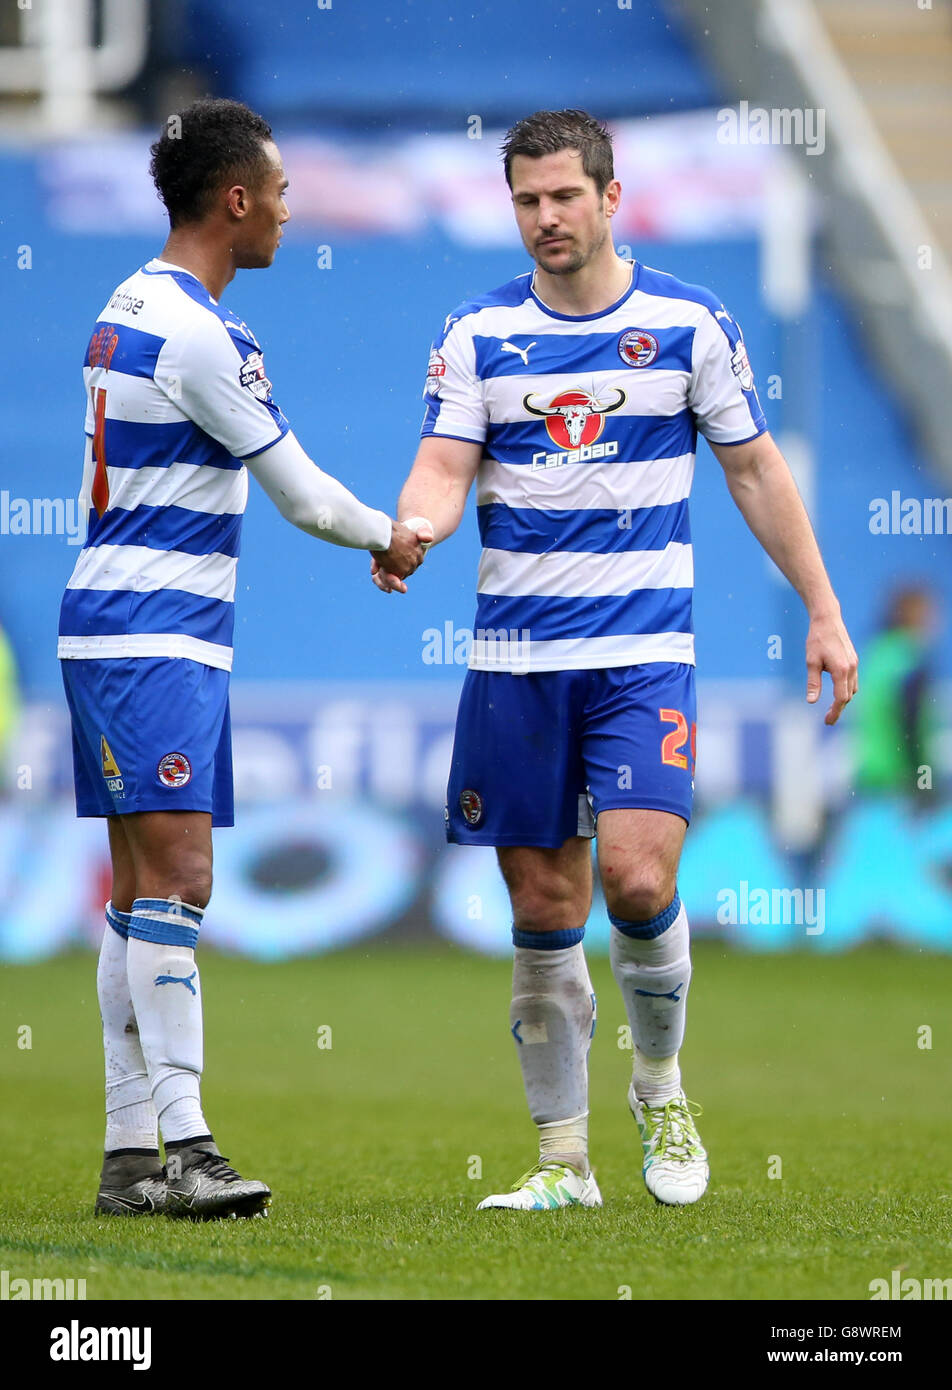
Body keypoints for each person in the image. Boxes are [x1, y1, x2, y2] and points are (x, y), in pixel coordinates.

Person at [373, 109, 858, 1210]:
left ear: (608, 197)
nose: (545, 217)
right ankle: (562, 1164)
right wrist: (412, 528)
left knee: (638, 875)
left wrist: (823, 611)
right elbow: (442, 467)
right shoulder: (477, 334)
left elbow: (755, 472)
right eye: (526, 201)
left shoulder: (689, 323)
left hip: (641, 656)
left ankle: (660, 1084)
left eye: (562, 196)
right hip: (514, 661)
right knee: (545, 907)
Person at [59, 98, 426, 1220]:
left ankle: (130, 1154)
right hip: (155, 635)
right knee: (181, 883)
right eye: (274, 188)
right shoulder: (203, 335)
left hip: (115, 625)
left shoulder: (128, 302)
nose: (285, 206)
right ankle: (188, 1143)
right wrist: (392, 535)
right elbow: (306, 496)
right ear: (233, 199)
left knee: (137, 896)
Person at [854, 586, 938, 799]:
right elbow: (910, 722)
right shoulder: (909, 658)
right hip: (900, 780)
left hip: (870, 773)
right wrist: (923, 782)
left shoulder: (876, 654)